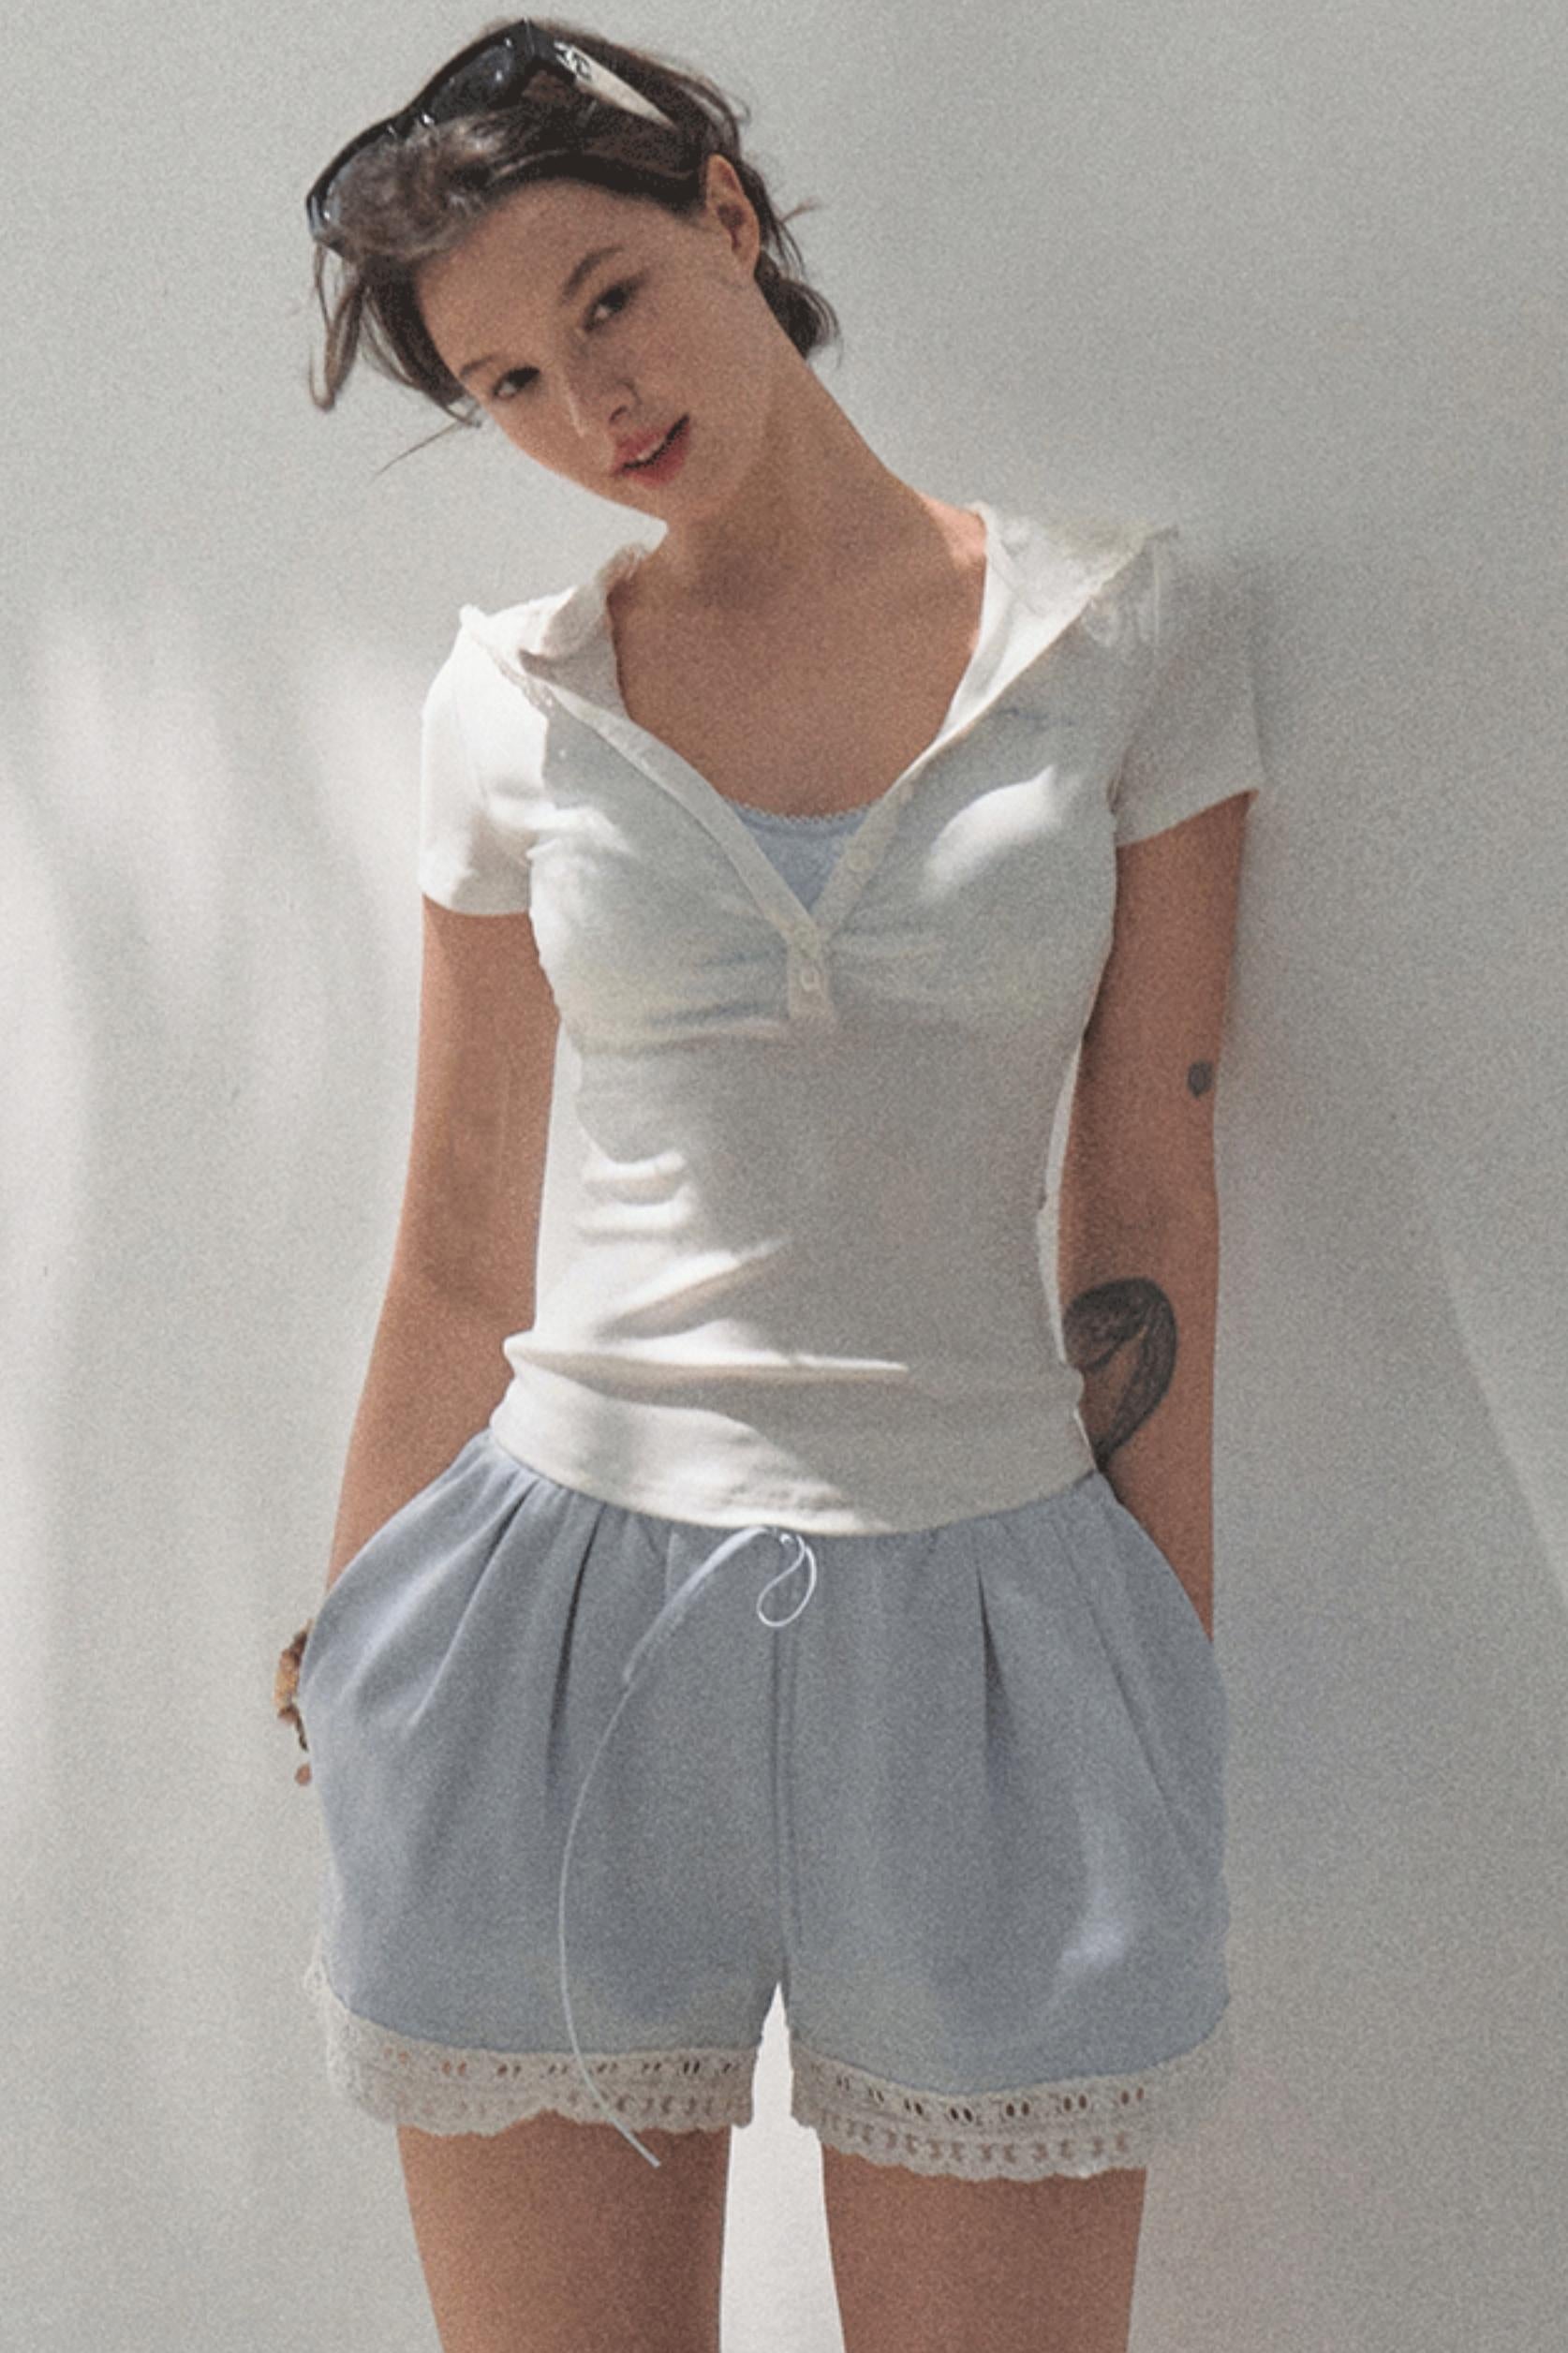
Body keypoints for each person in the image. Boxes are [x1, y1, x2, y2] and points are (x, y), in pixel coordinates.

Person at [280, 17, 1266, 2351]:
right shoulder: (514, 703)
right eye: (509, 383)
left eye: (607, 299)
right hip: (546, 1628)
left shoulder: (1125, 637)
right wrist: (352, 1647)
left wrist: (1158, 1668)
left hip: (996, 1618)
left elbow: (1148, 1199)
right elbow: (457, 1230)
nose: (590, 407)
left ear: (726, 209)